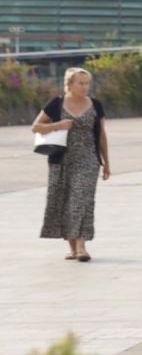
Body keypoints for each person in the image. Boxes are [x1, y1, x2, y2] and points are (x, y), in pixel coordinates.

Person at [34, 66, 110, 262]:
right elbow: (36, 127)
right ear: (70, 84)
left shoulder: (95, 105)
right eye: (81, 83)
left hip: (88, 159)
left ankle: (81, 247)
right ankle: (73, 247)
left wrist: (106, 163)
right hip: (61, 161)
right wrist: (58, 125)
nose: (85, 87)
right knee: (63, 202)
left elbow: (101, 135)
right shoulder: (56, 103)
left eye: (87, 83)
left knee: (81, 200)